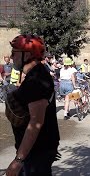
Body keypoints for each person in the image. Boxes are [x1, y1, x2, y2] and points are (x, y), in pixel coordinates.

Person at [5, 34, 60, 175]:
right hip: (38, 150)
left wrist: (18, 160)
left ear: (27, 54)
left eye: (14, 53)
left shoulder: (36, 80)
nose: (11, 57)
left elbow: (36, 121)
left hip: (36, 152)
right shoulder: (36, 75)